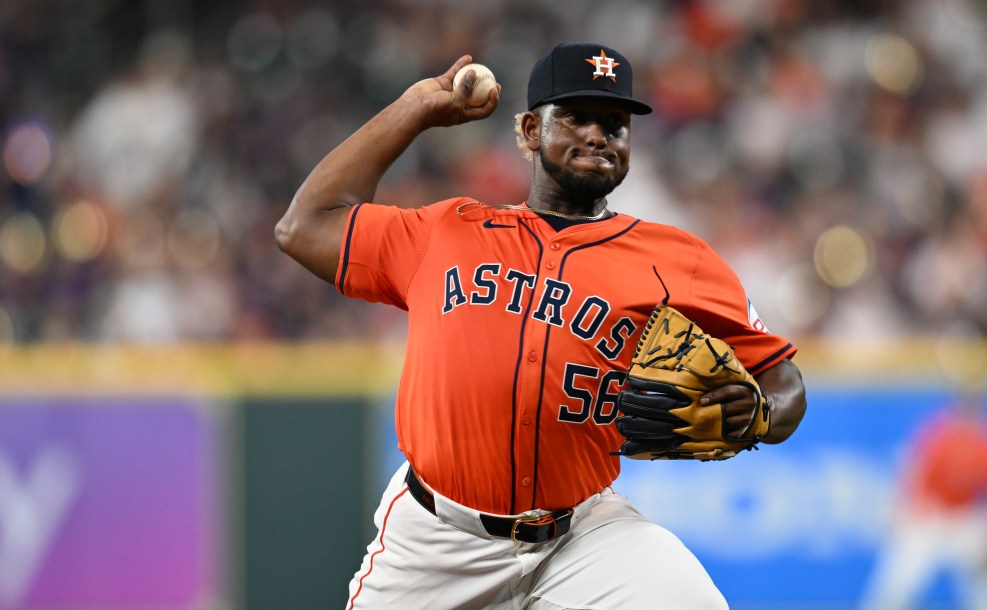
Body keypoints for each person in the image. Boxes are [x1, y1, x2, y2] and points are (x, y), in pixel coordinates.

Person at [275, 42, 807, 609]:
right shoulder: (447, 231)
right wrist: (414, 110)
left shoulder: (678, 257)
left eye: (615, 123)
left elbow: (783, 380)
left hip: (583, 537)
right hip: (437, 541)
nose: (599, 135)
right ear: (530, 130)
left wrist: (762, 413)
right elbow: (303, 226)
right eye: (576, 117)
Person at [858, 382, 987, 610]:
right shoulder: (939, 435)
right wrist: (900, 517)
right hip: (931, 516)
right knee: (898, 582)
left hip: (968, 518)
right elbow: (910, 478)